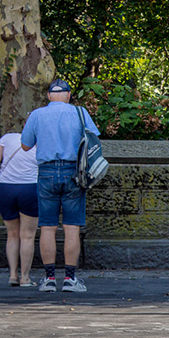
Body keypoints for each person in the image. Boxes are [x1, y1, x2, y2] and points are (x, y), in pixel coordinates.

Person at [20, 79, 99, 293]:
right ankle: (70, 280)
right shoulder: (80, 113)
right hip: (74, 172)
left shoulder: (36, 115)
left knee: (47, 226)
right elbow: (94, 139)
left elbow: (25, 145)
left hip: (46, 173)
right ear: (68, 94)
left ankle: (49, 279)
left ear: (48, 96)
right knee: (72, 226)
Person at [0, 130, 39, 286]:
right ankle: (25, 278)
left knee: (12, 234)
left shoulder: (6, 138)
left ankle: (13, 275)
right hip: (30, 187)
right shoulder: (40, 141)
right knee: (27, 235)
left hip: (5, 188)